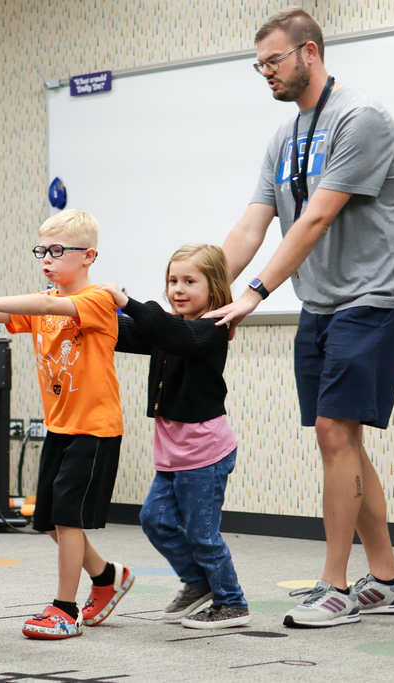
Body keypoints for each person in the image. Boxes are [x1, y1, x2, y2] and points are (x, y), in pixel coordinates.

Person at [207, 8, 394, 627]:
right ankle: (389, 581)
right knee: (341, 439)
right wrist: (202, 282)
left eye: (272, 60)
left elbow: (317, 217)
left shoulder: (362, 119)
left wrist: (253, 292)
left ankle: (335, 585)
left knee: (333, 432)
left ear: (309, 52)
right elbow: (254, 223)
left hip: (377, 297)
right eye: (259, 65)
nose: (265, 73)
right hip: (323, 302)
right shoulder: (285, 136)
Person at [0, 209, 133, 640]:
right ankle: (107, 578)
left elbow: (48, 304)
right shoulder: (44, 302)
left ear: (88, 256)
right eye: (42, 250)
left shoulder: (97, 300)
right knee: (49, 521)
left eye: (57, 250)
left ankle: (65, 609)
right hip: (61, 427)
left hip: (95, 427)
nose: (46, 258)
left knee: (69, 519)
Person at [100, 244, 250, 630]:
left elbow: (177, 335)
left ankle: (232, 602)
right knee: (155, 519)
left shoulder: (211, 328)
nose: (178, 289)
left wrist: (128, 302)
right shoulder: (170, 328)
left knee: (203, 535)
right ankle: (199, 582)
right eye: (172, 280)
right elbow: (124, 332)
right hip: (173, 451)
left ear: (214, 288)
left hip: (205, 453)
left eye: (189, 281)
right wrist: (86, 308)